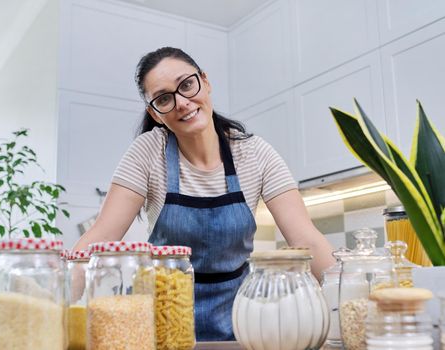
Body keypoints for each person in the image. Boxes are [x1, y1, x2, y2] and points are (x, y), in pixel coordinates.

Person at [73, 47, 335, 341]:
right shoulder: (148, 153)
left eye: (186, 85)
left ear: (205, 82)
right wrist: (55, 301)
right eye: (164, 99)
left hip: (243, 324)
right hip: (163, 326)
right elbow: (99, 241)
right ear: (155, 113)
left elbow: (305, 239)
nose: (182, 103)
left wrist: (342, 303)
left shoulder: (254, 153)